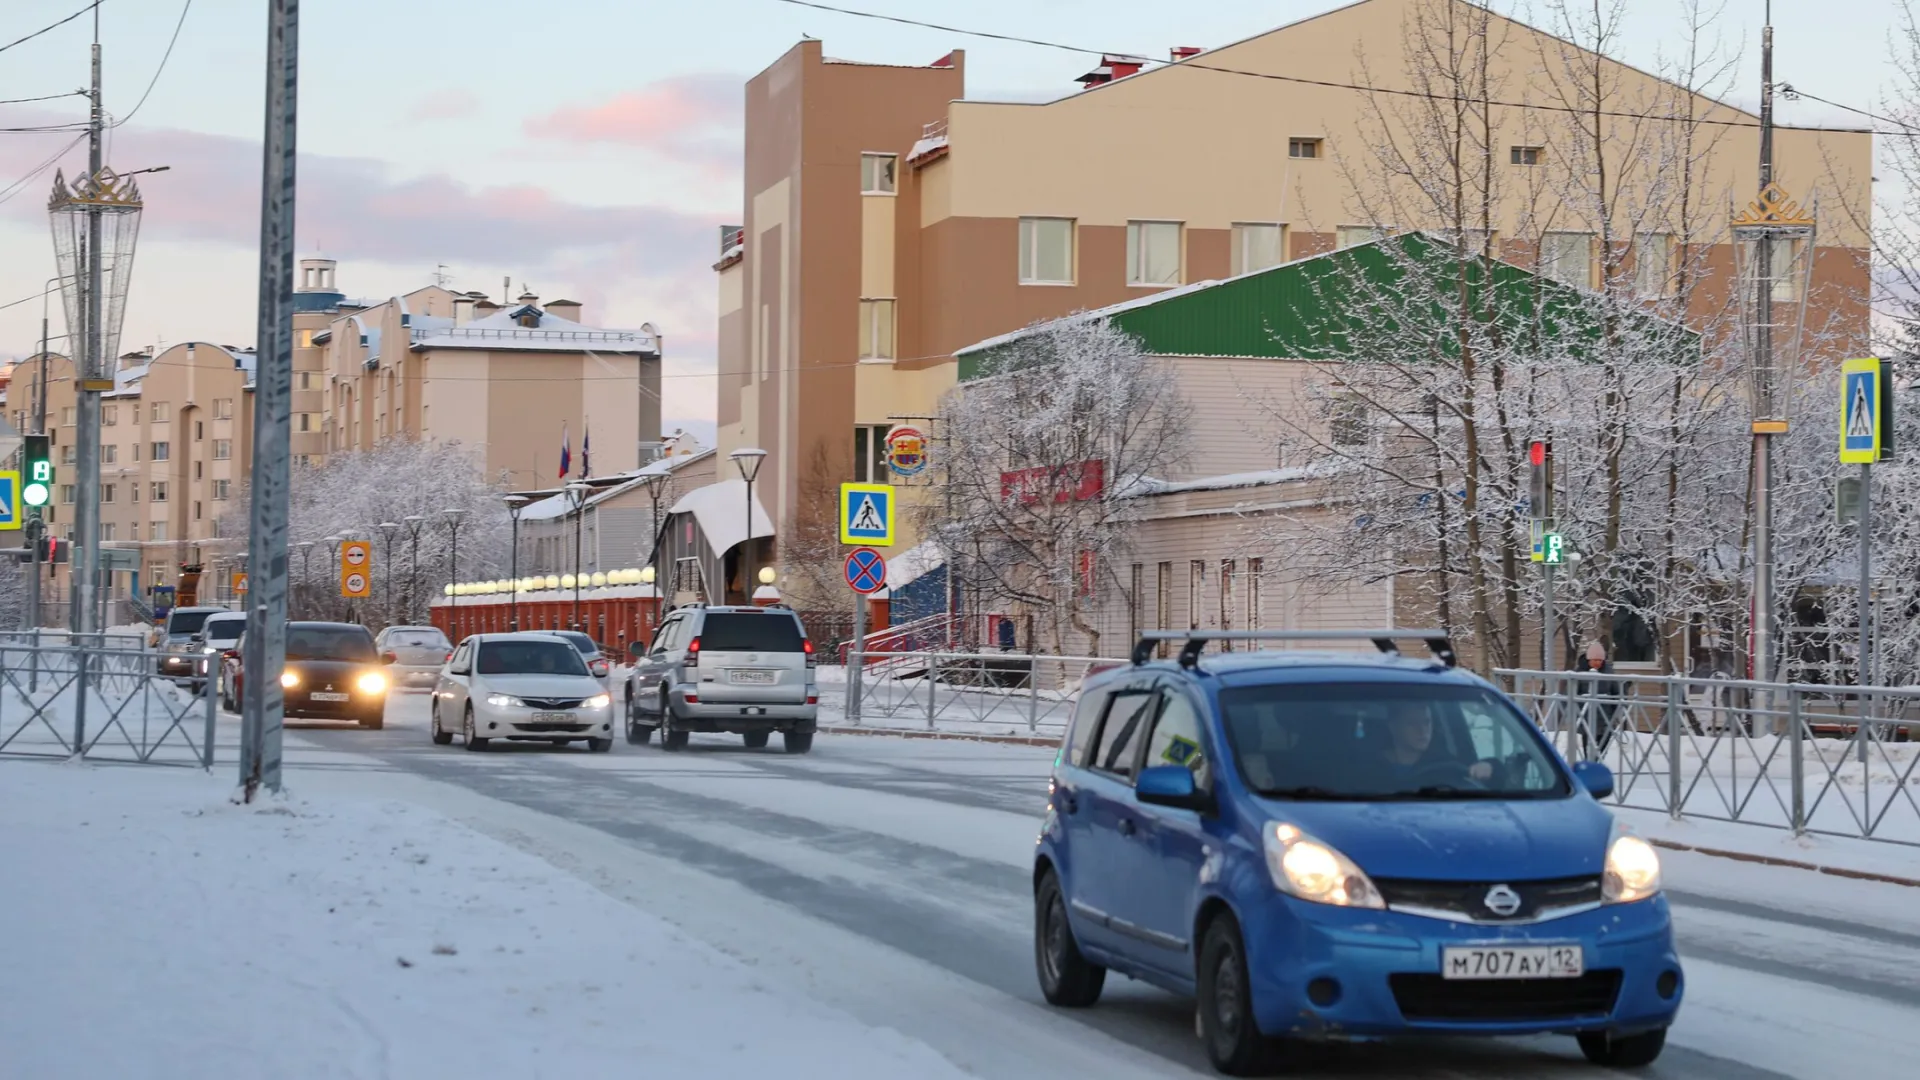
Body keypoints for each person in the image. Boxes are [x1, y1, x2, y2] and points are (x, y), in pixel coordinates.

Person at [1379, 700, 1493, 785]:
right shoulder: (1369, 766)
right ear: (1393, 727)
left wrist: (1489, 766)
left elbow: (1475, 771)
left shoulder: (1446, 766)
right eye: (1412, 723)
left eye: (1426, 722)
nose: (1422, 730)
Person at [1573, 642, 1621, 756]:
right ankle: (1590, 766)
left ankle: (1597, 764)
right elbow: (1571, 693)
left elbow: (1616, 692)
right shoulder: (1579, 672)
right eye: (1595, 660)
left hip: (1605, 715)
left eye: (1600, 660)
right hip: (1586, 715)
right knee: (1589, 747)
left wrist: (1617, 710)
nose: (1597, 663)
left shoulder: (1609, 671)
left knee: (1602, 747)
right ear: (1589, 659)